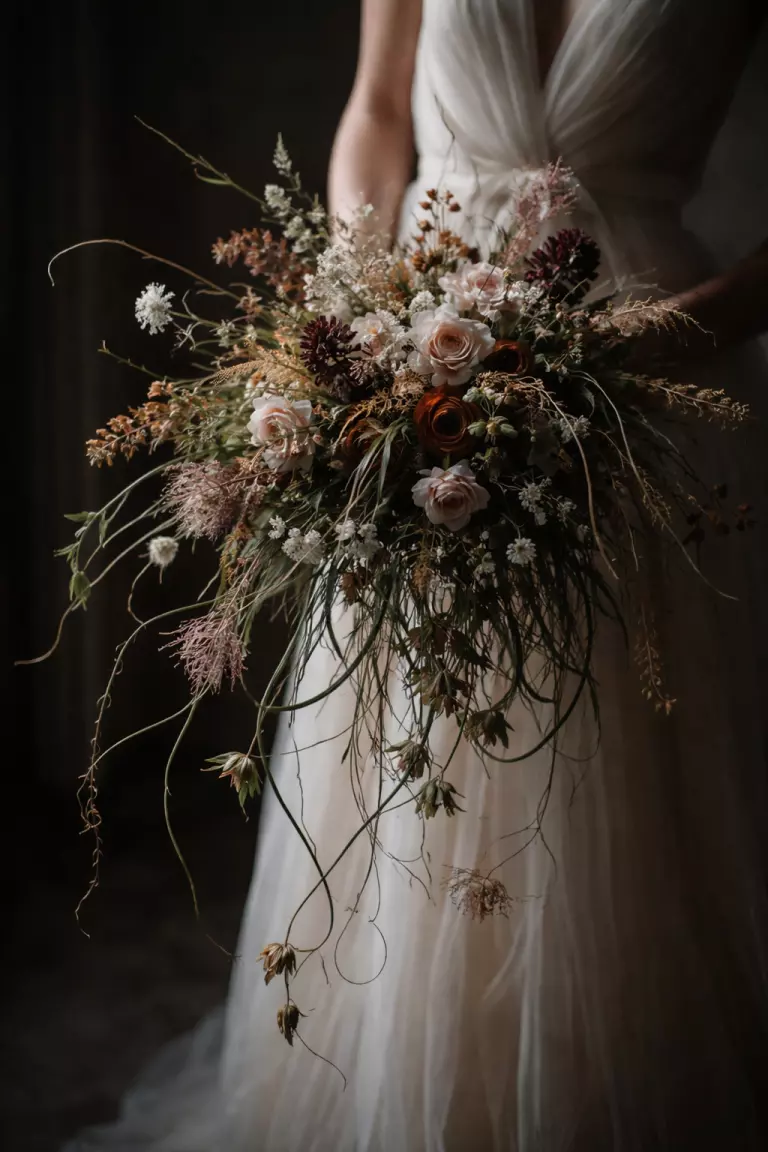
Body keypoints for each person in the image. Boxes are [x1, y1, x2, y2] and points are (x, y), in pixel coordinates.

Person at [66, 2, 768, 1149]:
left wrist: (656, 344)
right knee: (412, 746)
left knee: (623, 760)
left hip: (644, 383)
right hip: (417, 365)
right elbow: (378, 112)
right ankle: (411, 1085)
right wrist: (367, 313)